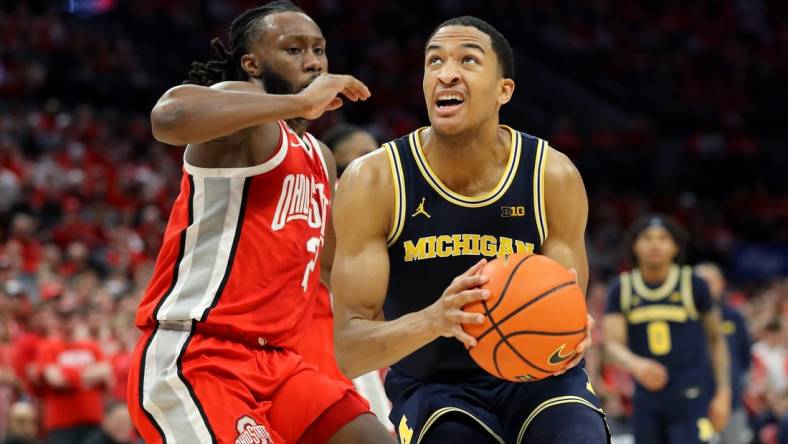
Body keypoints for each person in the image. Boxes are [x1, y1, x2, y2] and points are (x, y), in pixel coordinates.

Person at [331, 16, 608, 443]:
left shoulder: (551, 175)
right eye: (434, 61)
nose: (446, 73)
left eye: (468, 60)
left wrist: (571, 328)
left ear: (504, 90)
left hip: (538, 380)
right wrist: (436, 319)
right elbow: (350, 351)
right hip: (432, 384)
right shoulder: (374, 180)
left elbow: (568, 308)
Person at [126, 1, 392, 443]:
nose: (313, 61)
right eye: (293, 50)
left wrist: (426, 315)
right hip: (199, 356)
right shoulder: (246, 116)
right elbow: (167, 117)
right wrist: (301, 101)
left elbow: (333, 270)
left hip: (278, 364)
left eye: (319, 50)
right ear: (251, 63)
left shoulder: (319, 156)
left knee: (372, 437)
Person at [603, 215, 732, 444]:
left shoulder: (693, 284)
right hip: (645, 399)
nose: (654, 244)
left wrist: (723, 392)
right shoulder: (621, 288)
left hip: (691, 397)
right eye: (647, 238)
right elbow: (611, 345)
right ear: (634, 245)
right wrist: (635, 364)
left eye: (663, 238)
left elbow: (716, 339)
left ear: (675, 247)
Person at [695, 262, 752, 444]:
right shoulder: (683, 320)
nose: (703, 286)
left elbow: (745, 357)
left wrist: (734, 385)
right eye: (698, 282)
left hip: (730, 402)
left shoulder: (734, 317)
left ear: (721, 283)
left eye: (708, 281)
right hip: (693, 403)